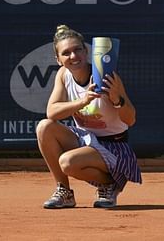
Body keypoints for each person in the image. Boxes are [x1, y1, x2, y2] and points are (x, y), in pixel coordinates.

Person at [36, 25, 142, 209]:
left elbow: (130, 120)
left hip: (115, 147)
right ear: (59, 60)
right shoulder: (63, 74)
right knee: (44, 127)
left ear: (86, 52)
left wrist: (117, 99)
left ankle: (110, 183)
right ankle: (64, 192)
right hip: (87, 141)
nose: (73, 56)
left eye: (78, 49)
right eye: (66, 53)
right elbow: (51, 112)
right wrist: (82, 102)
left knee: (67, 162)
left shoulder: (107, 77)